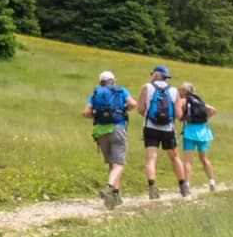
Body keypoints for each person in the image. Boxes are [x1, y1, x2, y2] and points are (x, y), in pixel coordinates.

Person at [139, 64, 187, 199]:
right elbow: (178, 114)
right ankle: (183, 186)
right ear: (165, 76)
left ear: (155, 74)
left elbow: (139, 109)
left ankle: (152, 187)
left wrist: (151, 116)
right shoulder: (173, 90)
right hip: (168, 128)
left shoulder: (146, 87)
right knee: (174, 157)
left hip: (150, 127)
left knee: (151, 158)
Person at [85, 72, 131, 208]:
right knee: (119, 164)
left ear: (100, 82)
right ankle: (109, 187)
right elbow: (132, 104)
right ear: (113, 81)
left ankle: (113, 198)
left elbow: (85, 112)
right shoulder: (121, 90)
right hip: (117, 128)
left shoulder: (95, 93)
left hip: (100, 130)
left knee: (112, 163)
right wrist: (123, 109)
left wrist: (97, 114)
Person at [177, 82, 218, 192]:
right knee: (204, 158)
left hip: (190, 131)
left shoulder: (183, 100)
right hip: (203, 131)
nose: (179, 91)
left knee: (187, 160)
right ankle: (211, 181)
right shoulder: (199, 100)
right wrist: (204, 119)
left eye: (180, 89)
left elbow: (178, 114)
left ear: (185, 91)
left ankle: (187, 184)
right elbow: (213, 110)